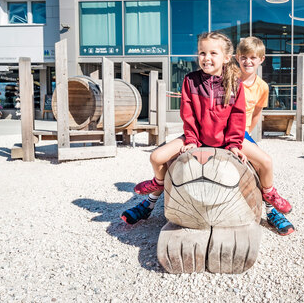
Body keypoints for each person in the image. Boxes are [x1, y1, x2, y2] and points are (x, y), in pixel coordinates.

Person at [121, 32, 291, 225]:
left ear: (226, 58)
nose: (206, 58)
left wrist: (234, 143)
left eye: (213, 53)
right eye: (202, 53)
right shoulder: (190, 80)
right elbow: (188, 114)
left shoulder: (234, 83)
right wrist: (192, 139)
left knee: (266, 162)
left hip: (228, 138)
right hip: (198, 137)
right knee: (157, 157)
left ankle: (269, 200)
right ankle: (156, 188)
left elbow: (238, 116)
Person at [236, 36, 294, 236]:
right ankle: (151, 202)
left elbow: (257, 112)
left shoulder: (262, 87)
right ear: (237, 57)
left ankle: (270, 210)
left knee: (261, 163)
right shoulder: (230, 79)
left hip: (241, 132)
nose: (248, 61)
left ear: (261, 59)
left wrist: (248, 134)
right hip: (224, 131)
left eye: (253, 57)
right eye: (244, 57)